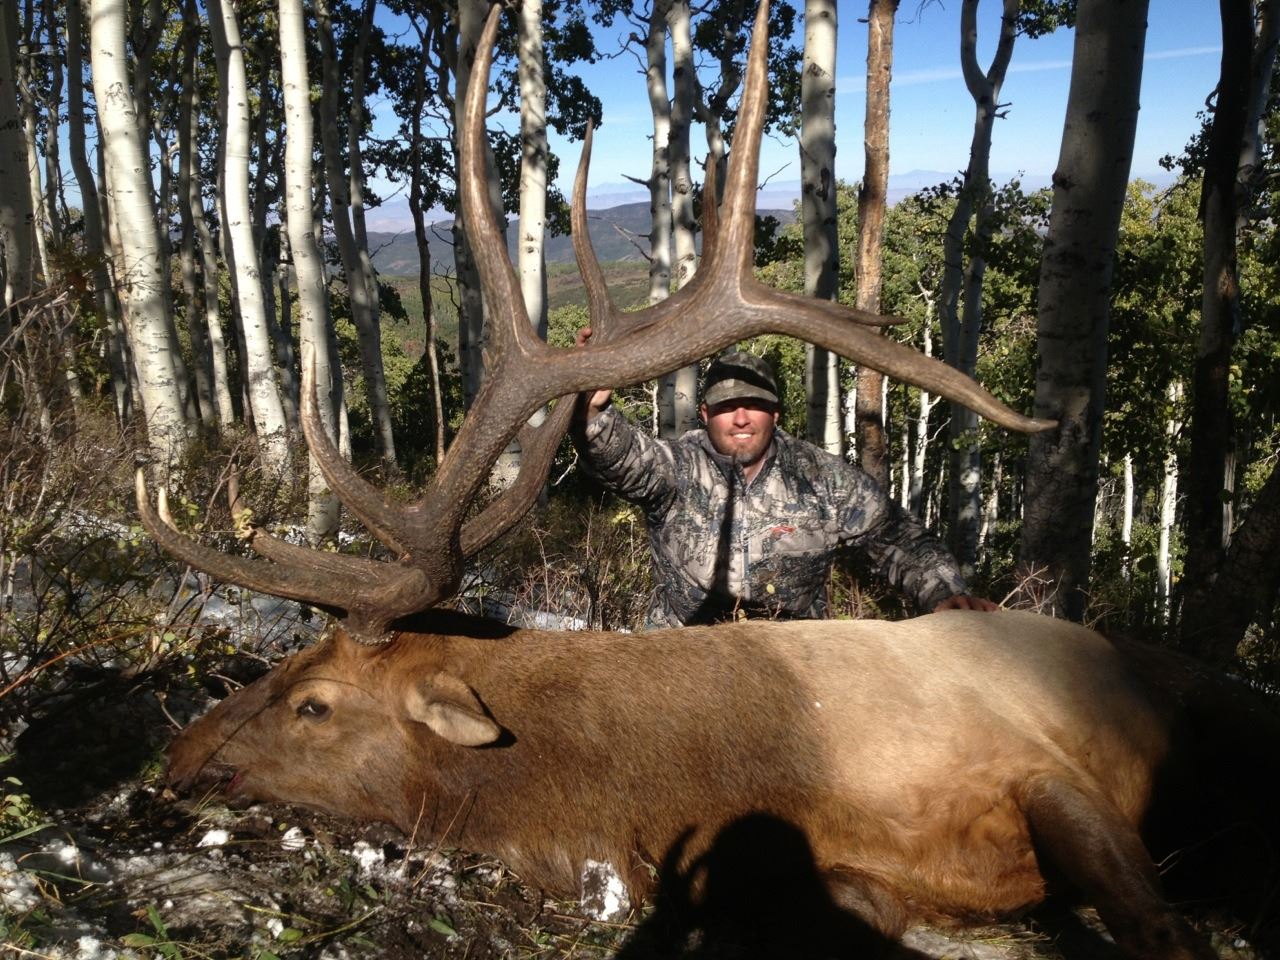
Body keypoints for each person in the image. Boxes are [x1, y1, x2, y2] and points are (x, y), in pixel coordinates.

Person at [571, 337, 997, 629]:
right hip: (680, 661)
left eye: (754, 405)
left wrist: (945, 593)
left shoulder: (821, 478)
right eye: (727, 406)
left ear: (775, 414)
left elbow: (898, 538)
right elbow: (619, 456)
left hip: (794, 663)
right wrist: (591, 410)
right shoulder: (677, 467)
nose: (741, 418)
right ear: (705, 414)